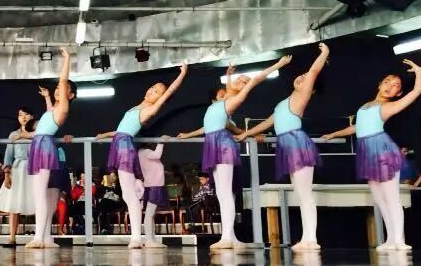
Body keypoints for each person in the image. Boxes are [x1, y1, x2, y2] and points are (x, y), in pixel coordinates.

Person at [178, 57, 292, 251]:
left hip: (222, 144)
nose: (241, 80)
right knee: (224, 193)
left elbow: (256, 79)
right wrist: (229, 76)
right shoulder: (220, 104)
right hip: (214, 142)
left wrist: (278, 65)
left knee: (224, 192)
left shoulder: (233, 101)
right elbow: (209, 126)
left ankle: (227, 237)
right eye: (240, 79)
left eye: (244, 82)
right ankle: (231, 237)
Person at [235, 44, 330, 251]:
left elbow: (314, 70)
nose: (302, 78)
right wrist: (246, 133)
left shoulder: (302, 95)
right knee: (300, 192)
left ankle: (311, 239)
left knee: (305, 193)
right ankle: (306, 238)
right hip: (287, 144)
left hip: (296, 142)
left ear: (311, 87)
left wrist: (324, 53)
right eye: (301, 76)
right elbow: (268, 122)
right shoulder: (284, 102)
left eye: (306, 78)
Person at [323, 60, 421, 251]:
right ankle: (391, 239)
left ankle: (399, 240)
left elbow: (417, 91)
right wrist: (334, 134)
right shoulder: (365, 106)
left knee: (391, 197)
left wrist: (418, 72)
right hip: (367, 152)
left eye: (395, 85)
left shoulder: (390, 106)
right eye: (387, 82)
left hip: (383, 149)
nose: (390, 86)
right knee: (379, 198)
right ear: (379, 84)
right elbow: (357, 127)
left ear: (398, 93)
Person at [97, 63, 189, 248]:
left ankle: (136, 238)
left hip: (124, 146)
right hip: (120, 143)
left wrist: (182, 74)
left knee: (129, 195)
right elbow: (121, 129)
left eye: (157, 92)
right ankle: (137, 238)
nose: (151, 91)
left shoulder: (149, 110)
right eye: (152, 87)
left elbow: (170, 92)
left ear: (160, 98)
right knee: (128, 194)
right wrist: (104, 135)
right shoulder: (137, 107)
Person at [22, 49, 75, 249]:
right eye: (58, 88)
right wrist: (46, 97)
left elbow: (63, 80)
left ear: (70, 95)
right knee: (41, 194)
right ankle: (45, 238)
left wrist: (67, 59)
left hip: (43, 145)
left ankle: (38, 238)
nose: (58, 89)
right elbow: (48, 112)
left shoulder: (63, 108)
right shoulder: (54, 109)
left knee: (39, 193)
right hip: (41, 144)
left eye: (63, 88)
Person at [0, 106, 36, 246]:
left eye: (26, 114)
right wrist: (7, 174)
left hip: (34, 169)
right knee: (14, 204)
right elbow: (8, 154)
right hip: (18, 169)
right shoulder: (13, 134)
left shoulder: (37, 133)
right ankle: (12, 237)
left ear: (32, 116)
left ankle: (39, 237)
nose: (23, 117)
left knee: (37, 202)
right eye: (20, 115)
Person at [137, 141, 170, 247]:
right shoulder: (146, 152)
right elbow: (157, 155)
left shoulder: (142, 153)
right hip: (154, 185)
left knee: (150, 214)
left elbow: (153, 166)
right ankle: (150, 240)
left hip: (152, 184)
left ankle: (151, 239)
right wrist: (161, 143)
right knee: (150, 213)